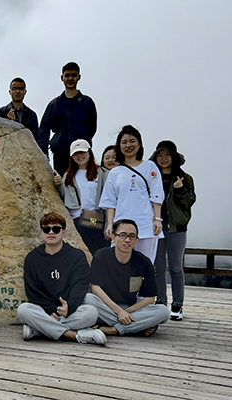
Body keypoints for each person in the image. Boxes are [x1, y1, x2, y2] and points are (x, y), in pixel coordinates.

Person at [17, 212, 106, 345]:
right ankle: (75, 335)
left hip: (69, 312)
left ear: (63, 232)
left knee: (91, 312)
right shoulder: (32, 258)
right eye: (46, 229)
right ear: (41, 233)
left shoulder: (77, 256)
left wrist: (69, 307)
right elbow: (32, 292)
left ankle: (39, 329)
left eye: (56, 229)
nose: (51, 232)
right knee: (23, 310)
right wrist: (50, 310)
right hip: (44, 311)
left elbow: (80, 285)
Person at [84, 219, 170, 337]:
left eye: (132, 236)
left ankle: (114, 329)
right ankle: (136, 327)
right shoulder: (101, 256)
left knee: (163, 311)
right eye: (123, 235)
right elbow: (95, 288)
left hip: (129, 309)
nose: (127, 240)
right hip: (105, 306)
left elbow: (149, 299)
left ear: (137, 240)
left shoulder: (144, 262)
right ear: (113, 237)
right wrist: (118, 312)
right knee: (87, 299)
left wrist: (124, 312)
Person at [99, 125, 164, 263]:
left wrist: (157, 219)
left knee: (144, 265)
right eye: (124, 142)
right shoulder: (115, 172)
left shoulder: (149, 166)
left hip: (146, 226)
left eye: (132, 141)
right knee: (119, 265)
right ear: (119, 146)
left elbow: (156, 194)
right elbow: (110, 201)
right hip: (121, 228)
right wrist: (110, 224)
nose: (128, 145)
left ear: (139, 144)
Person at [150, 141, 196, 320]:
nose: (163, 159)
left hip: (177, 228)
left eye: (167, 155)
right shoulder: (151, 177)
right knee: (158, 268)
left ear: (174, 157)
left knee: (176, 268)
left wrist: (179, 189)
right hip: (156, 228)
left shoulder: (185, 177)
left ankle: (177, 305)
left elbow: (189, 202)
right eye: (160, 155)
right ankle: (161, 302)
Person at [37, 62, 97, 176]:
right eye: (67, 75)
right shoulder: (54, 104)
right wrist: (43, 153)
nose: (70, 78)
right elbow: (44, 129)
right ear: (62, 77)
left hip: (81, 152)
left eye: (74, 75)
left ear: (79, 77)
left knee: (82, 181)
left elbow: (92, 128)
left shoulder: (87, 103)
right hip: (60, 152)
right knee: (61, 183)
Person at [54, 140, 109, 256]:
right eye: (75, 154)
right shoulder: (69, 174)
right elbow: (64, 195)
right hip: (75, 219)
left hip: (94, 218)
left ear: (89, 152)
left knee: (96, 251)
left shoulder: (102, 173)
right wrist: (59, 184)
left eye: (82, 152)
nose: (79, 156)